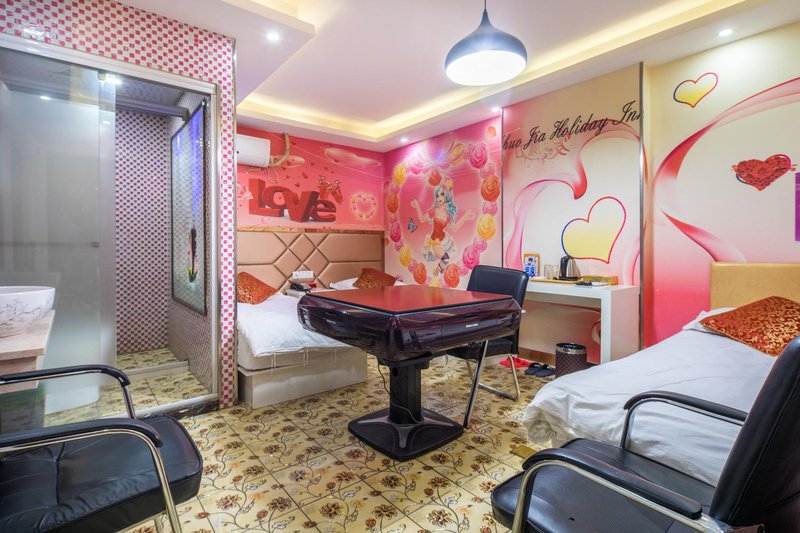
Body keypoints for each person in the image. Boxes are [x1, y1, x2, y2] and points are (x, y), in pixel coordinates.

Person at [410, 180, 474, 262]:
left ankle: (438, 268)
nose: (439, 197)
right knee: (444, 260)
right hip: (433, 241)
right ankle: (438, 268)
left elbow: (455, 228)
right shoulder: (434, 209)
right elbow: (422, 219)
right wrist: (417, 206)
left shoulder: (448, 214)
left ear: (446, 196)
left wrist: (465, 217)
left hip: (443, 241)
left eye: (442, 194)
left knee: (445, 260)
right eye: (437, 195)